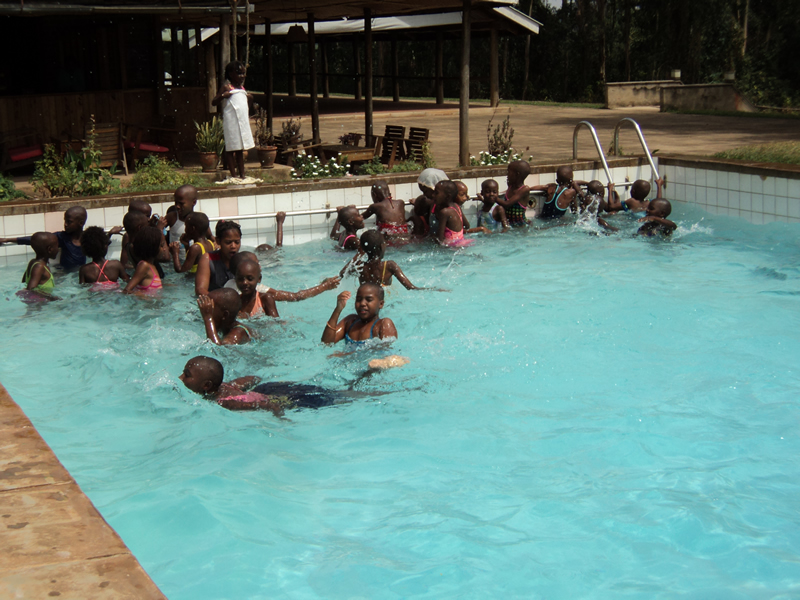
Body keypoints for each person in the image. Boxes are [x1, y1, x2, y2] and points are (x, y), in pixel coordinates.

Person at [179, 356, 401, 414]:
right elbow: (252, 379)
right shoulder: (228, 385)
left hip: (278, 397)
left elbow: (266, 404)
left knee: (341, 397)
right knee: (337, 392)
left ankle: (389, 389)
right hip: (270, 387)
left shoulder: (224, 401)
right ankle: (368, 372)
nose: (181, 378)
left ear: (206, 385)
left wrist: (280, 418)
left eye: (186, 375)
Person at [0, 206, 101, 270]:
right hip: (65, 273)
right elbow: (36, 239)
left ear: (81, 223)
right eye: (65, 221)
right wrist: (7, 240)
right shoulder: (62, 237)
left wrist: (109, 236)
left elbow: (101, 247)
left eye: (69, 222)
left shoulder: (88, 238)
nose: (65, 224)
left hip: (81, 272)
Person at [234, 258, 341, 318]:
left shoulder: (264, 296)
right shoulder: (233, 298)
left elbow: (295, 296)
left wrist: (324, 286)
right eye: (240, 279)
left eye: (249, 278)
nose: (245, 283)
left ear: (259, 279)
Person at [212, 60, 254, 180]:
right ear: (231, 74)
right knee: (230, 148)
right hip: (231, 122)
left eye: (243, 73)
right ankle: (234, 175)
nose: (242, 76)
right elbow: (214, 102)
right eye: (239, 73)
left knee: (240, 149)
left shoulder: (242, 88)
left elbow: (245, 106)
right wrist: (223, 96)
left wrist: (250, 99)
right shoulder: (226, 87)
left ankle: (242, 174)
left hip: (241, 122)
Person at [322, 284, 398, 344]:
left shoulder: (383, 325)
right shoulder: (350, 321)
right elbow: (327, 343)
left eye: (369, 300)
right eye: (358, 299)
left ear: (381, 304)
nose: (362, 303)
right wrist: (338, 309)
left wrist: (347, 355)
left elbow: (387, 353)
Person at [352, 230, 423, 289]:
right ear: (382, 246)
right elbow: (410, 287)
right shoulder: (389, 265)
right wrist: (428, 289)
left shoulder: (359, 265)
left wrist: (359, 253)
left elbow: (345, 272)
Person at [195, 220, 242, 295]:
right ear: (218, 241)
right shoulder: (208, 259)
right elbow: (200, 290)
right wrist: (221, 300)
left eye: (237, 242)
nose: (233, 246)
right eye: (228, 242)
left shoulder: (244, 260)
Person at [123, 226, 163, 294]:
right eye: (161, 246)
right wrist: (145, 297)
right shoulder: (144, 266)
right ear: (153, 248)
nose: (164, 249)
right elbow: (126, 290)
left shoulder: (152, 266)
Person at [19, 232, 59, 300]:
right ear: (50, 249)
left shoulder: (32, 262)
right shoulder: (40, 267)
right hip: (40, 303)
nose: (58, 249)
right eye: (57, 246)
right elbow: (31, 290)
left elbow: (24, 282)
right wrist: (52, 298)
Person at [494, 160, 534, 226]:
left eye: (509, 172)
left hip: (521, 225)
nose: (507, 174)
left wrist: (493, 197)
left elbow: (507, 204)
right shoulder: (511, 186)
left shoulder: (524, 189)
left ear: (517, 174)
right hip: (510, 224)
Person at [434, 180, 473, 247]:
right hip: (462, 242)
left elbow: (440, 239)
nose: (433, 195)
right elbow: (467, 226)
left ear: (448, 196)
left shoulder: (445, 212)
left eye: (436, 193)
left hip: (451, 247)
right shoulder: (457, 206)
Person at [411, 168, 449, 237]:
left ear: (434, 188)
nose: (424, 195)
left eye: (425, 191)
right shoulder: (436, 203)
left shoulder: (443, 209)